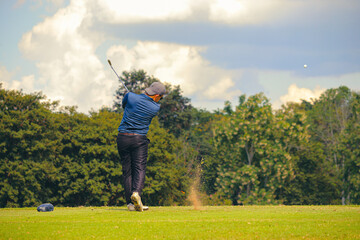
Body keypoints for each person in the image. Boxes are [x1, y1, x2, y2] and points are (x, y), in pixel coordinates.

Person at [116, 82, 166, 212]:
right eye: (160, 97)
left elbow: (124, 105)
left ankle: (130, 204)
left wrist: (130, 96)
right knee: (139, 168)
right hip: (139, 139)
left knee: (127, 171)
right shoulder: (155, 107)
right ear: (156, 96)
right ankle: (136, 193)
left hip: (122, 137)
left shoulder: (130, 96)